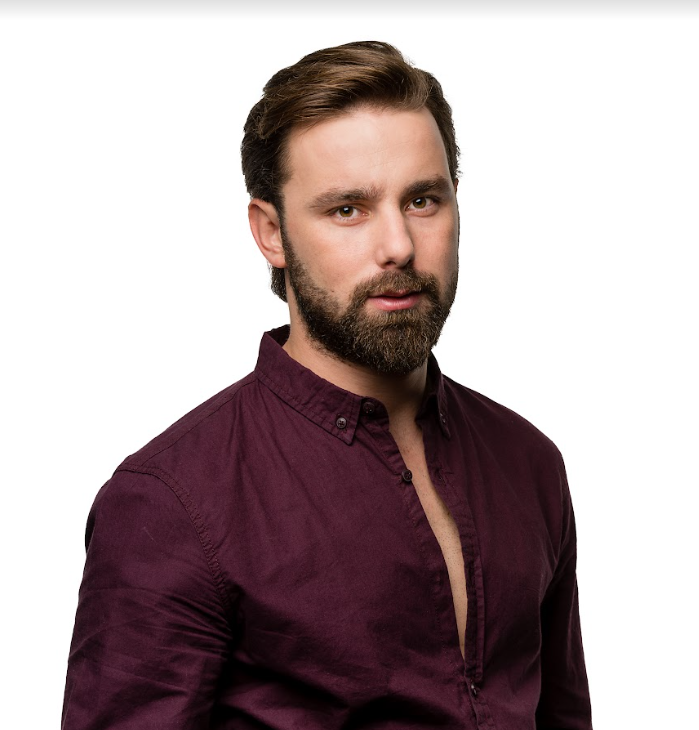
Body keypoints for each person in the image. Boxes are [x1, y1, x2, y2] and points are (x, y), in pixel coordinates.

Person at [62, 41, 592, 729]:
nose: (398, 245)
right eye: (347, 209)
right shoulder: (170, 504)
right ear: (271, 233)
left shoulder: (529, 462)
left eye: (423, 200)